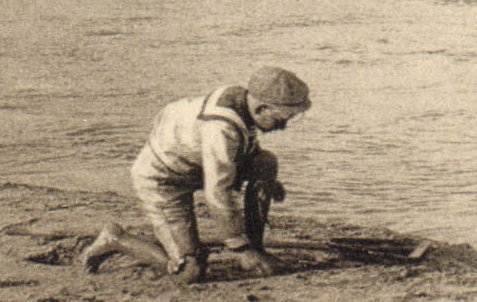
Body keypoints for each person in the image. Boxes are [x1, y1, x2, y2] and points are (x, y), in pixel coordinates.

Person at [81, 67, 311, 283]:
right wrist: (239, 248)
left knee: (265, 163)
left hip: (196, 165)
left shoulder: (242, 100)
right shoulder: (220, 129)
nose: (283, 126)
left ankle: (256, 248)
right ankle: (116, 238)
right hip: (163, 180)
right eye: (280, 120)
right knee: (189, 271)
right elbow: (217, 195)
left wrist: (268, 182)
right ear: (261, 108)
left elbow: (245, 145)